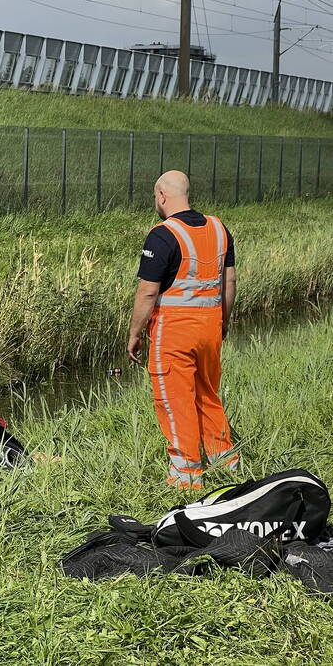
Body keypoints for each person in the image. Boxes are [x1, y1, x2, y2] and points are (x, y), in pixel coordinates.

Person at [127, 170, 238, 489]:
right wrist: (222, 321)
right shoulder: (219, 228)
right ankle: (226, 462)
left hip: (174, 333)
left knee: (175, 400)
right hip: (210, 328)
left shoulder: (162, 235)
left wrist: (135, 333)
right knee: (207, 393)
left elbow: (148, 292)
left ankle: (186, 476)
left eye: (154, 197)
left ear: (161, 195)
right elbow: (228, 282)